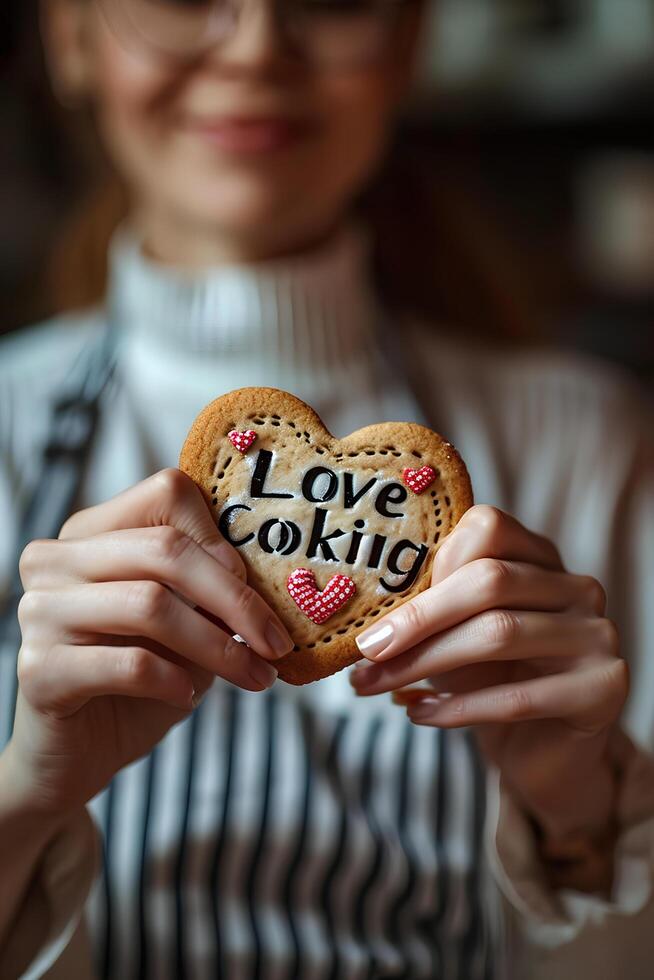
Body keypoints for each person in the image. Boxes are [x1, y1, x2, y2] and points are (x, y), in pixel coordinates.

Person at [1, 0, 654, 977]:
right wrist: (27, 796)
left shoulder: (592, 443)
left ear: (408, 41)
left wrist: (583, 812)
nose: (259, 45)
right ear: (72, 37)